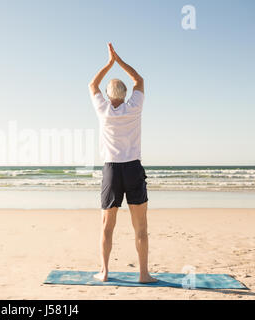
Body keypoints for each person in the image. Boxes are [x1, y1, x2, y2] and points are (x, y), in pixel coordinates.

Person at [88, 43, 157, 283]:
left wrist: (108, 63)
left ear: (108, 95)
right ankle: (143, 274)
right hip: (133, 168)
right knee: (141, 226)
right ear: (126, 94)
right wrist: (119, 60)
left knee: (107, 225)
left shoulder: (103, 110)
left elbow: (92, 85)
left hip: (111, 169)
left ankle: (105, 272)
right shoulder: (134, 107)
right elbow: (138, 79)